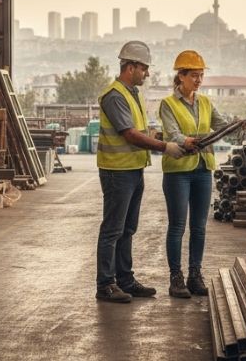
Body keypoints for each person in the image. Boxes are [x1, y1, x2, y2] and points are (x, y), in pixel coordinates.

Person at [95, 40, 186, 304]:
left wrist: (168, 138)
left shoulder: (133, 93)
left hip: (134, 170)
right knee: (112, 229)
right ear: (131, 66)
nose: (147, 73)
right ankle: (105, 284)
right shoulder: (115, 96)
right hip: (117, 172)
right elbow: (130, 134)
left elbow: (142, 131)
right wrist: (165, 147)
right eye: (144, 68)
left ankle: (125, 280)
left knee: (128, 228)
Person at [159, 50, 228, 299]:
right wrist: (187, 141)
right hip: (178, 172)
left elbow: (221, 126)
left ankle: (194, 275)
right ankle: (176, 278)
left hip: (202, 170)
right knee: (177, 226)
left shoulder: (206, 103)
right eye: (194, 76)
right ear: (181, 76)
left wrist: (240, 126)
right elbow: (172, 134)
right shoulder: (168, 104)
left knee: (199, 227)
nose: (199, 81)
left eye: (201, 76)